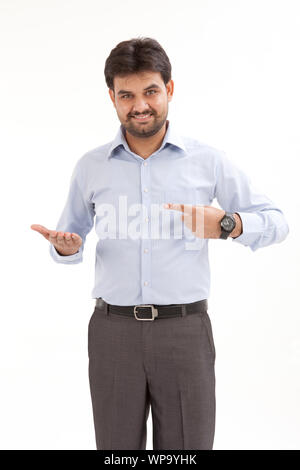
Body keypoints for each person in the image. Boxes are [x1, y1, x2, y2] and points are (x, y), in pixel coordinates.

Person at [31, 36, 289, 450]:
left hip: (184, 332)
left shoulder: (208, 161)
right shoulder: (91, 166)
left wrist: (225, 223)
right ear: (112, 97)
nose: (140, 105)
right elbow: (71, 239)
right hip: (112, 333)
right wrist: (64, 246)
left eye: (151, 91)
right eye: (127, 94)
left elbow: (277, 223)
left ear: (168, 89)